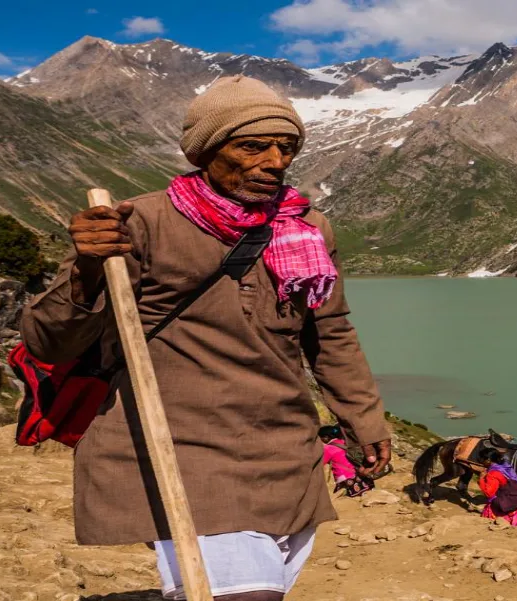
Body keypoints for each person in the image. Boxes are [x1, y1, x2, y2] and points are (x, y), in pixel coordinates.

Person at [20, 75, 391, 601]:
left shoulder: (308, 229)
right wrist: (86, 268)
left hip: (285, 447)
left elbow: (328, 332)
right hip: (180, 443)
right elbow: (47, 342)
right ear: (207, 151)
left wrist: (364, 419)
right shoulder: (139, 222)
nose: (275, 160)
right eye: (252, 145)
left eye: (286, 147)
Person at [478, 448, 517, 527]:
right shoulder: (505, 466)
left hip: (508, 501)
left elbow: (489, 493)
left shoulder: (493, 473)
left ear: (488, 460)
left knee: (492, 502)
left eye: (481, 459)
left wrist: (481, 479)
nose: (480, 461)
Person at [319, 425, 371, 497]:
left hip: (346, 481)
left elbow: (320, 464)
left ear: (326, 437)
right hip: (362, 478)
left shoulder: (328, 448)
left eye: (320, 438)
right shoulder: (344, 442)